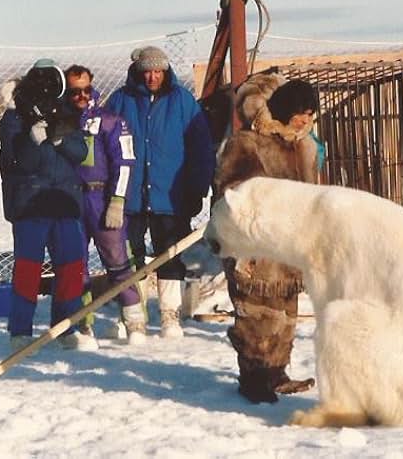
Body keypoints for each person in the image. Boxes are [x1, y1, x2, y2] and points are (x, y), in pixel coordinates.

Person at [214, 73, 320, 404]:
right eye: (302, 110)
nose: (307, 118)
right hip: (254, 247)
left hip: (289, 249)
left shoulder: (303, 147)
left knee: (284, 316)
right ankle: (254, 378)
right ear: (286, 107)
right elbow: (230, 192)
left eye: (311, 112)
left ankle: (277, 372)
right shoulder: (247, 143)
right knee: (255, 318)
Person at [105, 46, 215, 338]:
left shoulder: (183, 102)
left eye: (158, 71)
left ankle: (170, 315)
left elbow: (201, 148)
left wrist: (197, 188)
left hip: (172, 195)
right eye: (148, 71)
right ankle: (134, 316)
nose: (153, 77)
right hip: (129, 197)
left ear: (166, 72)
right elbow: (104, 145)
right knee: (130, 257)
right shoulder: (120, 101)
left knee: (171, 254)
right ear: (139, 72)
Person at [0, 59, 98, 351]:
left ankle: (66, 327)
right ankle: (20, 332)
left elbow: (81, 152)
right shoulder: (14, 118)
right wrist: (33, 139)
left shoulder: (65, 113)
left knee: (70, 268)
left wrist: (58, 138)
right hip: (30, 205)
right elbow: (17, 163)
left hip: (63, 202)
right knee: (28, 270)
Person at [63, 65, 147, 345]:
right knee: (76, 266)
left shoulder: (110, 120)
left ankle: (134, 320)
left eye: (86, 89)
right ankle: (84, 323)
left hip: (102, 198)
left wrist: (117, 201)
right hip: (72, 201)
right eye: (75, 91)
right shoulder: (62, 121)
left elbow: (124, 163)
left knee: (117, 260)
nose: (81, 96)